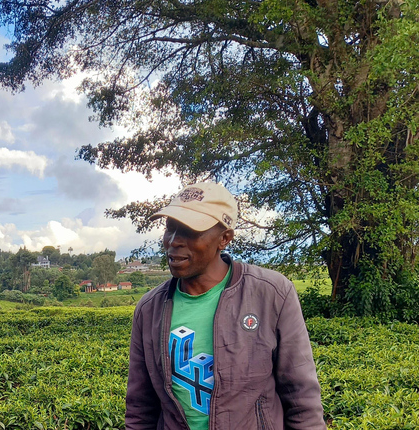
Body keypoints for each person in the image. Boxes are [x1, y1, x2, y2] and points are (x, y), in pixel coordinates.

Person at [125, 182, 326, 429]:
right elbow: (140, 407)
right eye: (170, 228)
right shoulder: (149, 309)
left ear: (224, 238)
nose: (174, 241)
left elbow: (301, 396)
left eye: (189, 230)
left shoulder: (271, 293)